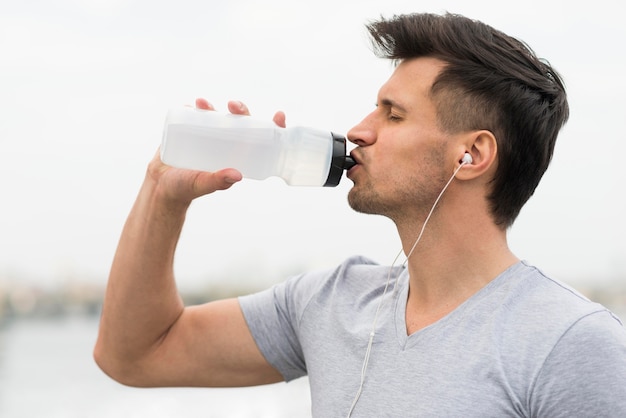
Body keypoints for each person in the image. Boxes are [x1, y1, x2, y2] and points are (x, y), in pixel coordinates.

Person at [94, 12, 626, 417]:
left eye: (392, 114)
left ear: (471, 155)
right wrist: (163, 195)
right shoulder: (329, 303)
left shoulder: (572, 342)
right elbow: (134, 354)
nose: (358, 130)